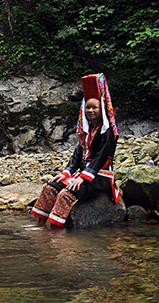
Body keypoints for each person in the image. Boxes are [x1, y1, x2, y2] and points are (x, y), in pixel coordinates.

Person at [31, 73, 120, 228]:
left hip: (100, 178)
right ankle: (40, 226)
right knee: (49, 188)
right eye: (88, 107)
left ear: (102, 109)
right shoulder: (87, 130)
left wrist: (84, 177)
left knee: (66, 194)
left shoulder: (109, 132)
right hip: (84, 175)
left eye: (95, 107)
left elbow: (102, 157)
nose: (91, 110)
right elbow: (78, 155)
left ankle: (54, 233)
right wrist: (66, 173)